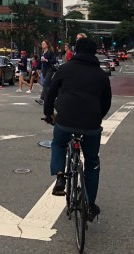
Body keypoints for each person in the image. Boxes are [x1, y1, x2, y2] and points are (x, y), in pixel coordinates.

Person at [44, 37, 112, 221]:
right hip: (91, 124)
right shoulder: (101, 75)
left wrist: (49, 114)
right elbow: (106, 102)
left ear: (76, 51)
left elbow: (50, 94)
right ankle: (89, 205)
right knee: (92, 162)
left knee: (58, 144)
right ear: (94, 52)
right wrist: (97, 117)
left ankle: (60, 176)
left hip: (65, 119)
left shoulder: (65, 69)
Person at [35, 39, 57, 106]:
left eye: (44, 44)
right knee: (49, 86)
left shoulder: (50, 52)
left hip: (50, 70)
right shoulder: (42, 53)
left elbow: (54, 61)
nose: (42, 45)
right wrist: (35, 69)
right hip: (44, 70)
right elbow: (39, 62)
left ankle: (41, 99)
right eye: (42, 44)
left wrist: (46, 60)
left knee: (45, 84)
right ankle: (52, 99)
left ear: (47, 45)